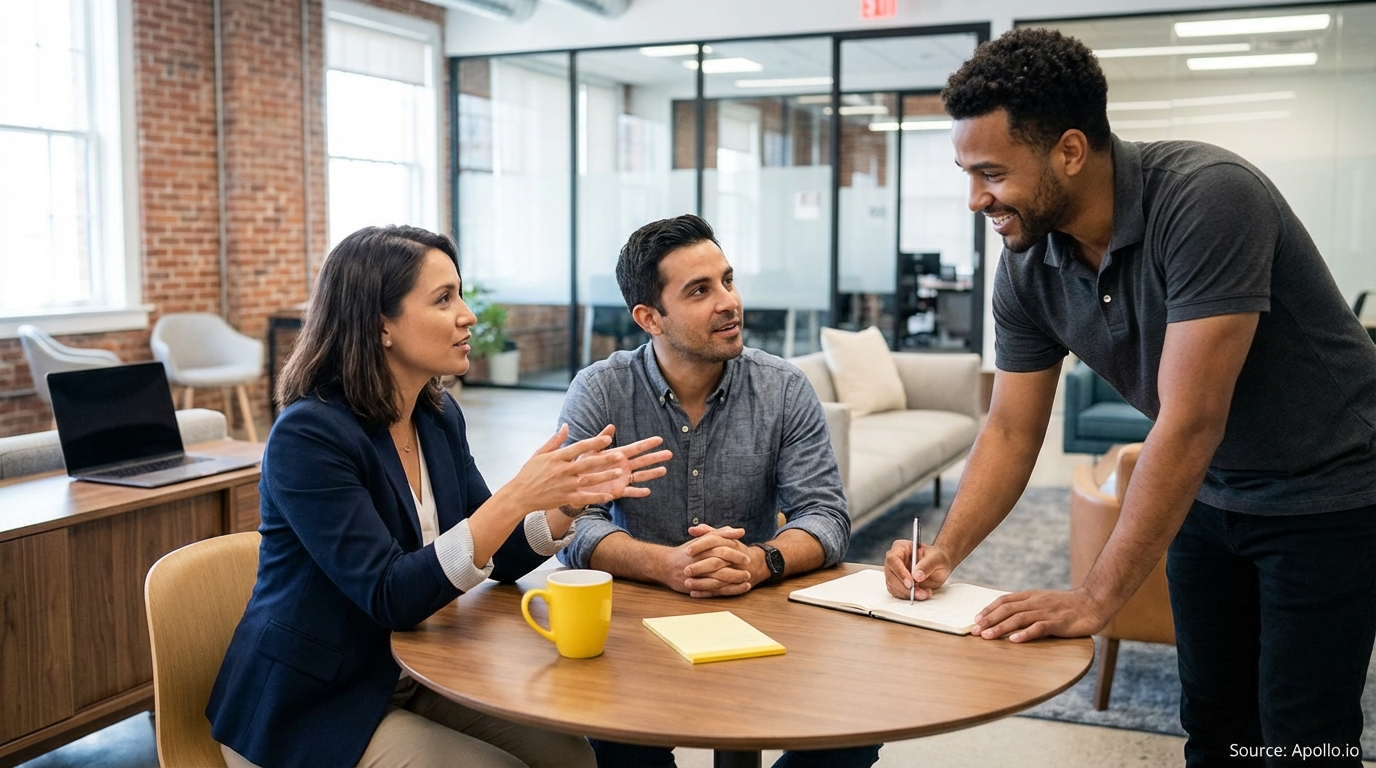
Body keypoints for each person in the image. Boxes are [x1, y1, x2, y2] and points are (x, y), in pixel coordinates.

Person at [884, 28, 1376, 766]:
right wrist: (943, 553)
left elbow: (1190, 419)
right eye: (966, 172)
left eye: (991, 173)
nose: (974, 199)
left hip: (1329, 492)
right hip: (1209, 498)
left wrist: (1094, 597)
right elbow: (1013, 430)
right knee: (1215, 721)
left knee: (1302, 734)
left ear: (1070, 152)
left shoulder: (1209, 198)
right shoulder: (1027, 261)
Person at [206, 225, 671, 768]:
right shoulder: (309, 436)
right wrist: (516, 494)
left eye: (460, 293)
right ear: (381, 324)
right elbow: (390, 595)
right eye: (443, 298)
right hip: (310, 703)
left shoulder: (437, 416)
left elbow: (497, 557)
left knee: (570, 757)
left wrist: (564, 503)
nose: (467, 314)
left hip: (409, 674)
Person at [557, 214, 880, 768]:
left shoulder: (783, 388)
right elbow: (572, 525)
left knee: (853, 735)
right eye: (700, 290)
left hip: (756, 607)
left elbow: (825, 516)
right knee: (619, 750)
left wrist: (759, 561)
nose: (729, 302)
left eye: (727, 280)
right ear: (649, 318)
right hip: (639, 619)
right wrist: (665, 565)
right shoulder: (601, 389)